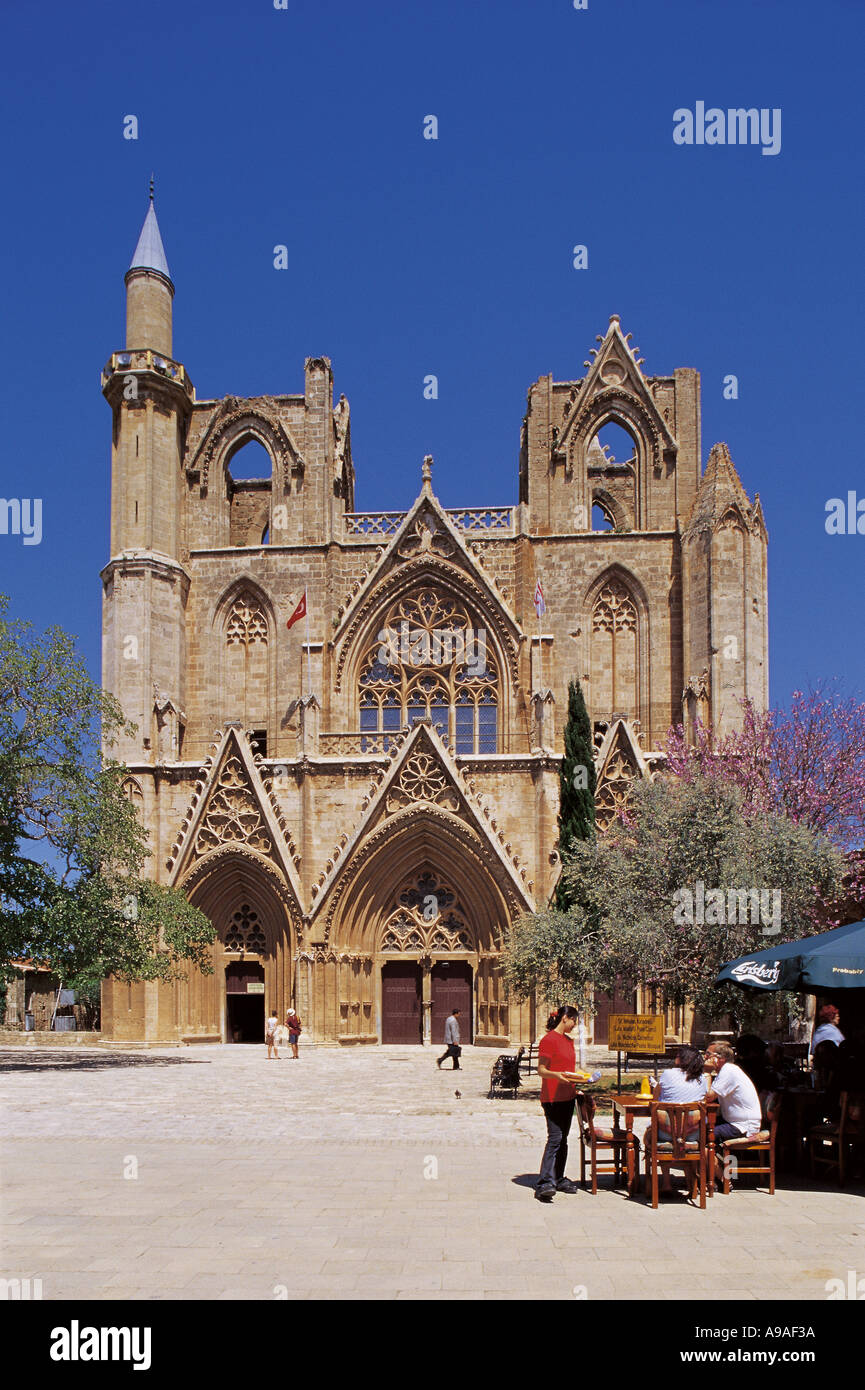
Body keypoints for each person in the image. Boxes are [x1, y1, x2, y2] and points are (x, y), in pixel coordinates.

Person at [535, 1005, 584, 1201]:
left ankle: (558, 1176)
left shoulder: (568, 1041)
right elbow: (541, 1070)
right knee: (554, 1138)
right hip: (552, 1097)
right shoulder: (548, 1041)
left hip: (568, 1096)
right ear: (565, 1018)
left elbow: (569, 1068)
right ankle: (544, 1182)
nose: (574, 1025)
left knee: (563, 1139)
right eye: (574, 1021)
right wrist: (559, 1076)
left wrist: (579, 1081)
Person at [644, 1045, 706, 1195]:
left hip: (666, 1135)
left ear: (681, 1059)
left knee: (655, 1135)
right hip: (693, 1136)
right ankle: (691, 1182)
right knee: (679, 1136)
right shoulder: (702, 1079)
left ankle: (666, 1182)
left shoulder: (668, 1074)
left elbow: (655, 1099)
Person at [705, 1041, 762, 1141]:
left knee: (702, 1134)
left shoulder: (729, 1070)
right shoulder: (725, 1071)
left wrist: (707, 1072)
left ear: (721, 1058)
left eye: (708, 1054)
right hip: (733, 1122)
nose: (705, 1057)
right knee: (698, 1128)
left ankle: (712, 1156)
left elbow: (708, 1097)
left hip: (742, 1126)